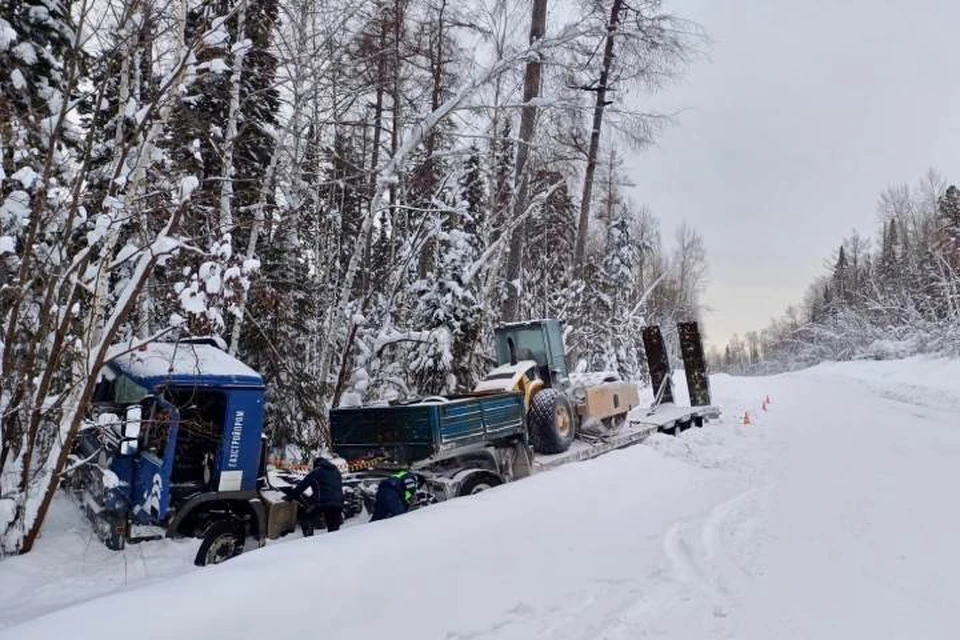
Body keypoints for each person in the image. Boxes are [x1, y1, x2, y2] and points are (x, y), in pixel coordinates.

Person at [285, 456, 344, 535]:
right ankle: (336, 544)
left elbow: (304, 484)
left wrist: (291, 495)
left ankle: (309, 538)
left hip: (323, 503)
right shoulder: (336, 471)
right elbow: (331, 488)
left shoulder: (317, 471)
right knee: (333, 529)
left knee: (306, 516)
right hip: (339, 502)